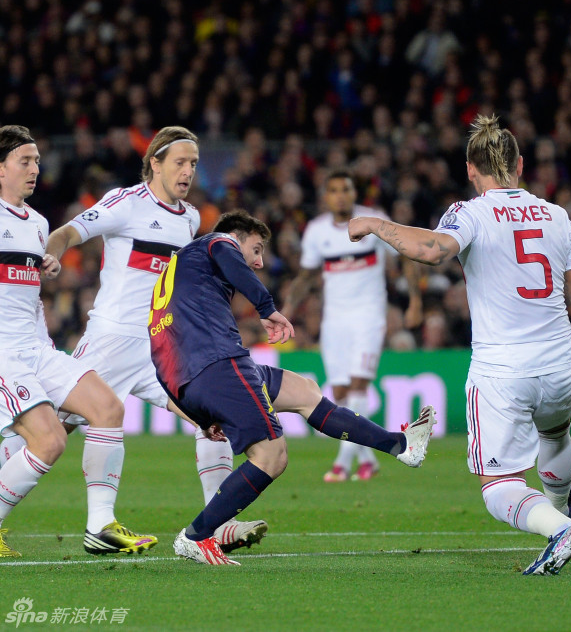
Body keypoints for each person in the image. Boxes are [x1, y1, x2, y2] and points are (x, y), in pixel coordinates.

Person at [348, 115, 571, 575]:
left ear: (471, 171)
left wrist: (375, 223)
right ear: (519, 163)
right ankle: (561, 506)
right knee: (554, 432)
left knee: (498, 490)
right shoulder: (557, 215)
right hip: (560, 366)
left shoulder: (470, 211)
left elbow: (433, 250)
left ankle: (561, 529)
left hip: (504, 373)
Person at [0, 126, 268, 554]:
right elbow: (70, 233)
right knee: (46, 432)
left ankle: (216, 527)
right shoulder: (126, 204)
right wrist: (50, 254)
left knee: (211, 419)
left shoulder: (191, 219)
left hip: (161, 347)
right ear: (155, 162)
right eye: (179, 162)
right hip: (112, 341)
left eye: (194, 163)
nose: (188, 171)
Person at [150, 210, 434, 566]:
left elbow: (159, 357)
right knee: (272, 456)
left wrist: (197, 412)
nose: (258, 261)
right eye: (255, 249)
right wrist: (267, 308)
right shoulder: (217, 242)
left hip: (195, 374)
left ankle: (400, 445)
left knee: (304, 391)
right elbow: (232, 259)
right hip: (218, 363)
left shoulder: (176, 275)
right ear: (236, 238)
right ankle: (196, 535)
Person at [0, 125, 154, 558]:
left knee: (107, 408)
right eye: (24, 161)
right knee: (49, 441)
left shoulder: (36, 223)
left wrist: (43, 266)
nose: (35, 168)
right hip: (3, 353)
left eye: (36, 160)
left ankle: (100, 526)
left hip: (36, 349)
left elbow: (23, 295)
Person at [283, 170, 422, 483]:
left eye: (345, 189)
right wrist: (288, 307)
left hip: (369, 316)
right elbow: (306, 276)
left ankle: (342, 464)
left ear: (353, 193)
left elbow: (407, 256)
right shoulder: (317, 231)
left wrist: (415, 300)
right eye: (333, 190)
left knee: (359, 386)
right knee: (341, 393)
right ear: (326, 196)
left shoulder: (373, 221)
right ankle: (369, 459)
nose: (340, 195)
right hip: (335, 321)